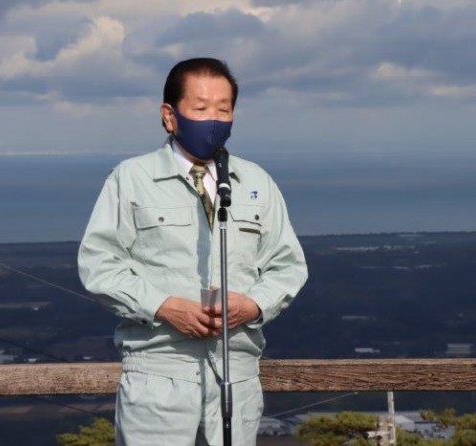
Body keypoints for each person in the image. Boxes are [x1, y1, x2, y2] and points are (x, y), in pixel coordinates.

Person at [78, 57, 308, 445]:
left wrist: (252, 306)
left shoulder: (256, 182)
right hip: (159, 371)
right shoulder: (131, 179)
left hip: (238, 372)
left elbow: (287, 266)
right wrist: (163, 306)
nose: (214, 119)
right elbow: (99, 265)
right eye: (200, 109)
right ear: (170, 116)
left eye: (224, 108)